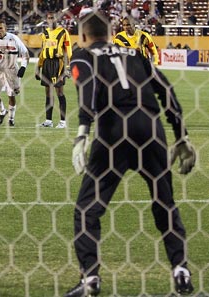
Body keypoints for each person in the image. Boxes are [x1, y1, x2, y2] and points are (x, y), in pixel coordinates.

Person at [65, 12, 196, 296]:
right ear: (110, 33)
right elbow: (166, 90)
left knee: (88, 209)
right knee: (165, 203)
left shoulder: (83, 55)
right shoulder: (135, 54)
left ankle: (90, 278)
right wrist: (181, 135)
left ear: (84, 36)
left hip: (114, 130)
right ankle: (181, 270)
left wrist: (82, 132)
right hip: (151, 129)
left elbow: (88, 88)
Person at [0, 19, 29, 126]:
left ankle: (11, 119)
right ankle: (3, 111)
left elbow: (25, 54)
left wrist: (23, 67)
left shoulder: (14, 39)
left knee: (11, 95)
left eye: (1, 28)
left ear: (5, 29)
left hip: (11, 70)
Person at [35, 11, 72, 129]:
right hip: (46, 63)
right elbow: (42, 50)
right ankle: (48, 120)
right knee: (48, 92)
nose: (51, 20)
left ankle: (62, 121)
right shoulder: (45, 33)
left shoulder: (63, 32)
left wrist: (67, 67)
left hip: (58, 63)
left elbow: (68, 50)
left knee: (59, 92)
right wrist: (38, 66)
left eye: (53, 18)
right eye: (49, 18)